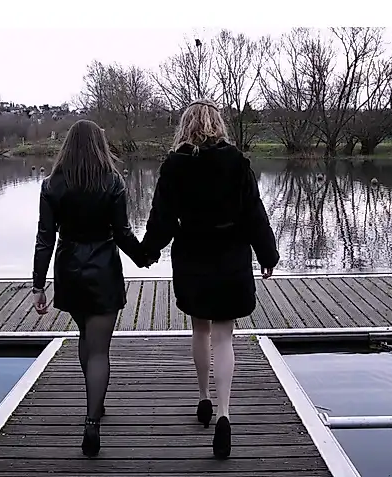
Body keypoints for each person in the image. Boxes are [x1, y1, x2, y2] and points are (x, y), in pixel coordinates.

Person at [141, 99, 280, 459]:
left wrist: (148, 251)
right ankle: (224, 413)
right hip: (231, 255)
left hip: (193, 256)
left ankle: (203, 398)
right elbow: (255, 214)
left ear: (185, 127)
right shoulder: (237, 162)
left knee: (199, 330)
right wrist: (267, 254)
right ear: (218, 125)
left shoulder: (175, 165)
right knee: (224, 337)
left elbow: (162, 217)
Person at [31, 119, 149, 458]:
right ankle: (92, 420)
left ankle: (95, 403)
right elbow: (123, 233)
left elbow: (44, 238)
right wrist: (144, 257)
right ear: (100, 145)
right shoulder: (112, 182)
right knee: (99, 350)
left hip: (69, 269)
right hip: (103, 270)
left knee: (86, 338)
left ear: (67, 146)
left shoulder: (51, 185)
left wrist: (38, 285)